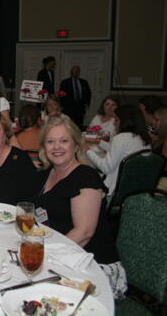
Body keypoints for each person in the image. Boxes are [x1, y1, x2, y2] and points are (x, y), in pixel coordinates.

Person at [34, 116, 126, 299]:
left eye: (64, 141)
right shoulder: (46, 175)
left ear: (76, 146)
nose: (56, 146)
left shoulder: (86, 177)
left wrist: (46, 257)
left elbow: (84, 233)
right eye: (50, 141)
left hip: (94, 266)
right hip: (61, 258)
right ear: (44, 148)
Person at [84, 105, 151, 203]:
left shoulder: (121, 138)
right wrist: (99, 142)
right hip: (135, 191)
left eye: (116, 120)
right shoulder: (144, 139)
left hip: (114, 193)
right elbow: (119, 151)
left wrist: (87, 151)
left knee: (84, 172)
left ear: (125, 121)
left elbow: (105, 168)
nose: (114, 123)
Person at [152, 107, 167, 191]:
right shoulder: (160, 137)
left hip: (162, 180)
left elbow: (164, 165)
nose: (153, 122)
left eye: (156, 120)